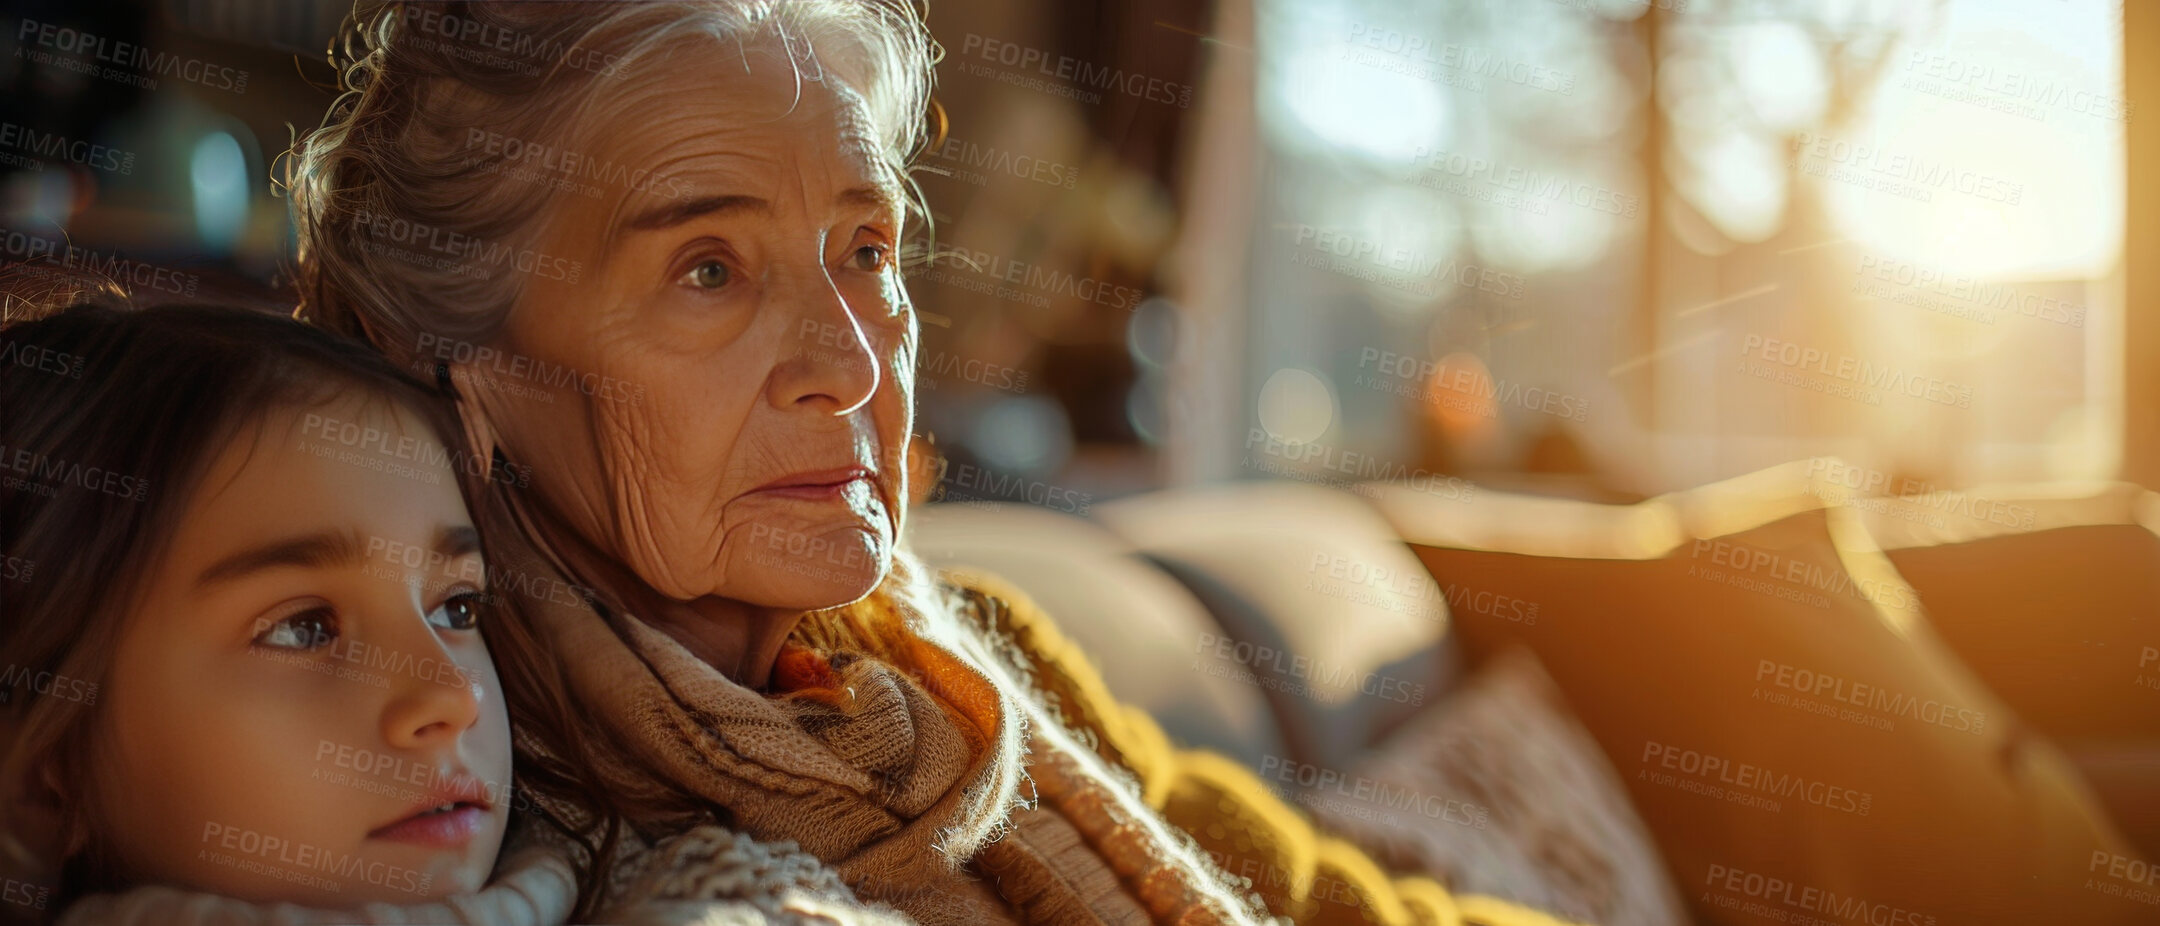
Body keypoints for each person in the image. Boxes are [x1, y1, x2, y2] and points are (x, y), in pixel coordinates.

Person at [289, 2, 1571, 924]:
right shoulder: (447, 795)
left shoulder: (963, 663)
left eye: (865, 249)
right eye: (710, 269)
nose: (848, 363)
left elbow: (1322, 899)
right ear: (466, 364)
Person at [0, 294, 909, 926]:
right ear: (46, 781)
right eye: (306, 626)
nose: (452, 696)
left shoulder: (715, 894)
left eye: (457, 607)